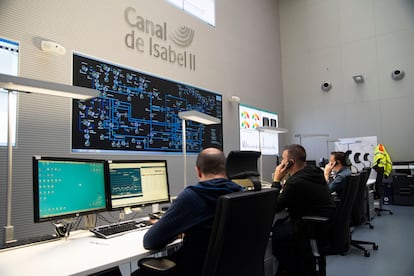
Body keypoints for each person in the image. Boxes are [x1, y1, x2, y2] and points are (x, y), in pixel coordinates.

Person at [132, 147, 243, 276]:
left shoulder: (193, 196)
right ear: (226, 170)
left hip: (193, 269)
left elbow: (150, 241)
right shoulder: (240, 193)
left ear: (198, 171)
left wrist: (174, 229)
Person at [272, 144, 336, 276]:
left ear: (290, 162)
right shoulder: (315, 172)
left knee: (276, 231)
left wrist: (276, 180)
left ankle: (288, 270)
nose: (281, 162)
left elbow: (274, 206)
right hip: (323, 228)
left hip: (307, 229)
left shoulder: (296, 182)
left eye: (283, 159)